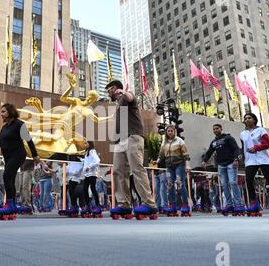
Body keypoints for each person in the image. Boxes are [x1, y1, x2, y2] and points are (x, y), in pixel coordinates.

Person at [106, 80, 157, 219]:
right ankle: (124, 204)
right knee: (118, 171)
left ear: (115, 88)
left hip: (133, 137)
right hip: (120, 141)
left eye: (109, 89)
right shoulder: (118, 105)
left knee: (137, 169)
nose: (108, 92)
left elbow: (131, 97)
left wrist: (124, 92)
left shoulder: (126, 97)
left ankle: (149, 203)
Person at [0, 103, 40, 220]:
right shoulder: (4, 128)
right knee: (10, 179)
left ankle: (10, 203)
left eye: (3, 112)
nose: (1, 114)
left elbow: (29, 140)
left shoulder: (20, 124)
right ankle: (11, 204)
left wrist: (35, 155)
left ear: (10, 112)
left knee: (7, 175)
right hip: (7, 156)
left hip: (18, 155)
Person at [202, 124, 245, 215]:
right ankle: (229, 204)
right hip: (221, 165)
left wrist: (236, 159)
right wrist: (204, 161)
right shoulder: (214, 142)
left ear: (221, 129)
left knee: (233, 182)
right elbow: (209, 152)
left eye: (217, 128)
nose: (215, 130)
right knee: (224, 185)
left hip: (231, 163)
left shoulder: (228, 138)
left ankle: (238, 204)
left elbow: (236, 148)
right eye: (214, 129)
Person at [154, 125, 192, 217]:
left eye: (171, 131)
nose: (170, 132)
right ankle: (172, 205)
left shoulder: (180, 141)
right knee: (169, 185)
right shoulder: (164, 143)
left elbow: (186, 154)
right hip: (169, 166)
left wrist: (187, 165)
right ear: (166, 132)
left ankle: (185, 205)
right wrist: (157, 161)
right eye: (168, 131)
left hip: (180, 165)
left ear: (174, 131)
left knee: (180, 184)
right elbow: (161, 155)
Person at [81, 141, 102, 216]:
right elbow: (89, 161)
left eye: (86, 143)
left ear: (90, 145)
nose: (84, 144)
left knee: (93, 188)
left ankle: (98, 205)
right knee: (84, 188)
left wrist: (88, 167)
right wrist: (83, 161)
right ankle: (88, 205)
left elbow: (97, 161)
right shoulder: (87, 152)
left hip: (92, 173)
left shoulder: (92, 151)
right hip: (87, 174)